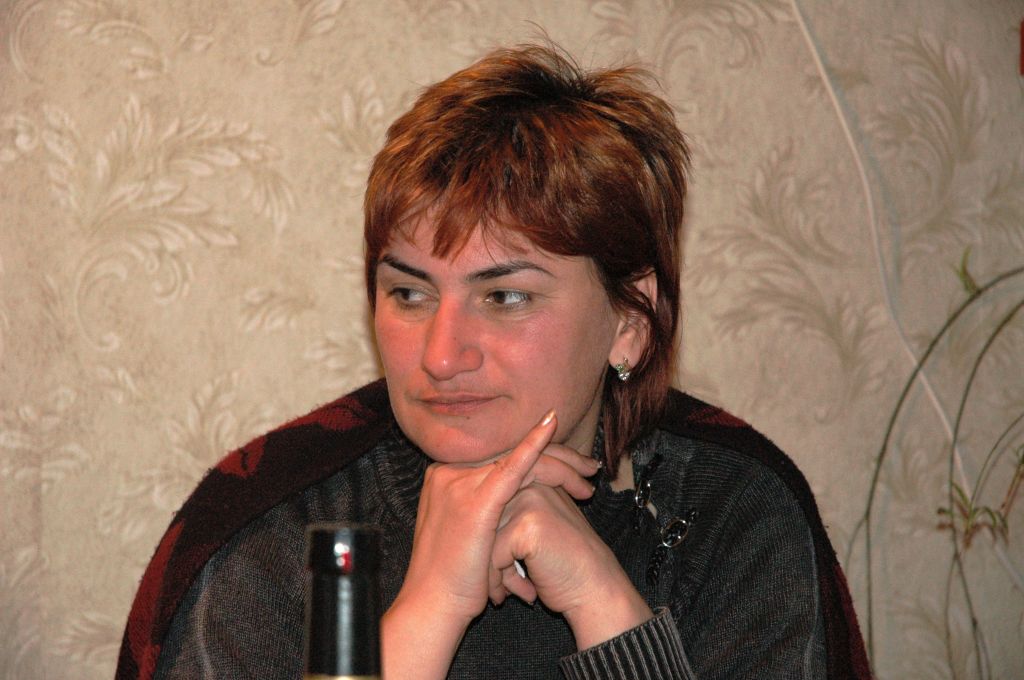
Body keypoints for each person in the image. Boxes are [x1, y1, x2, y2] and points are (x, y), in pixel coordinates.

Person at [116, 44, 871, 680]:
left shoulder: (730, 515)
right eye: (410, 294)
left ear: (629, 322)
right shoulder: (288, 532)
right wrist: (429, 607)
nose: (441, 355)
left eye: (505, 296)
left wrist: (605, 603)